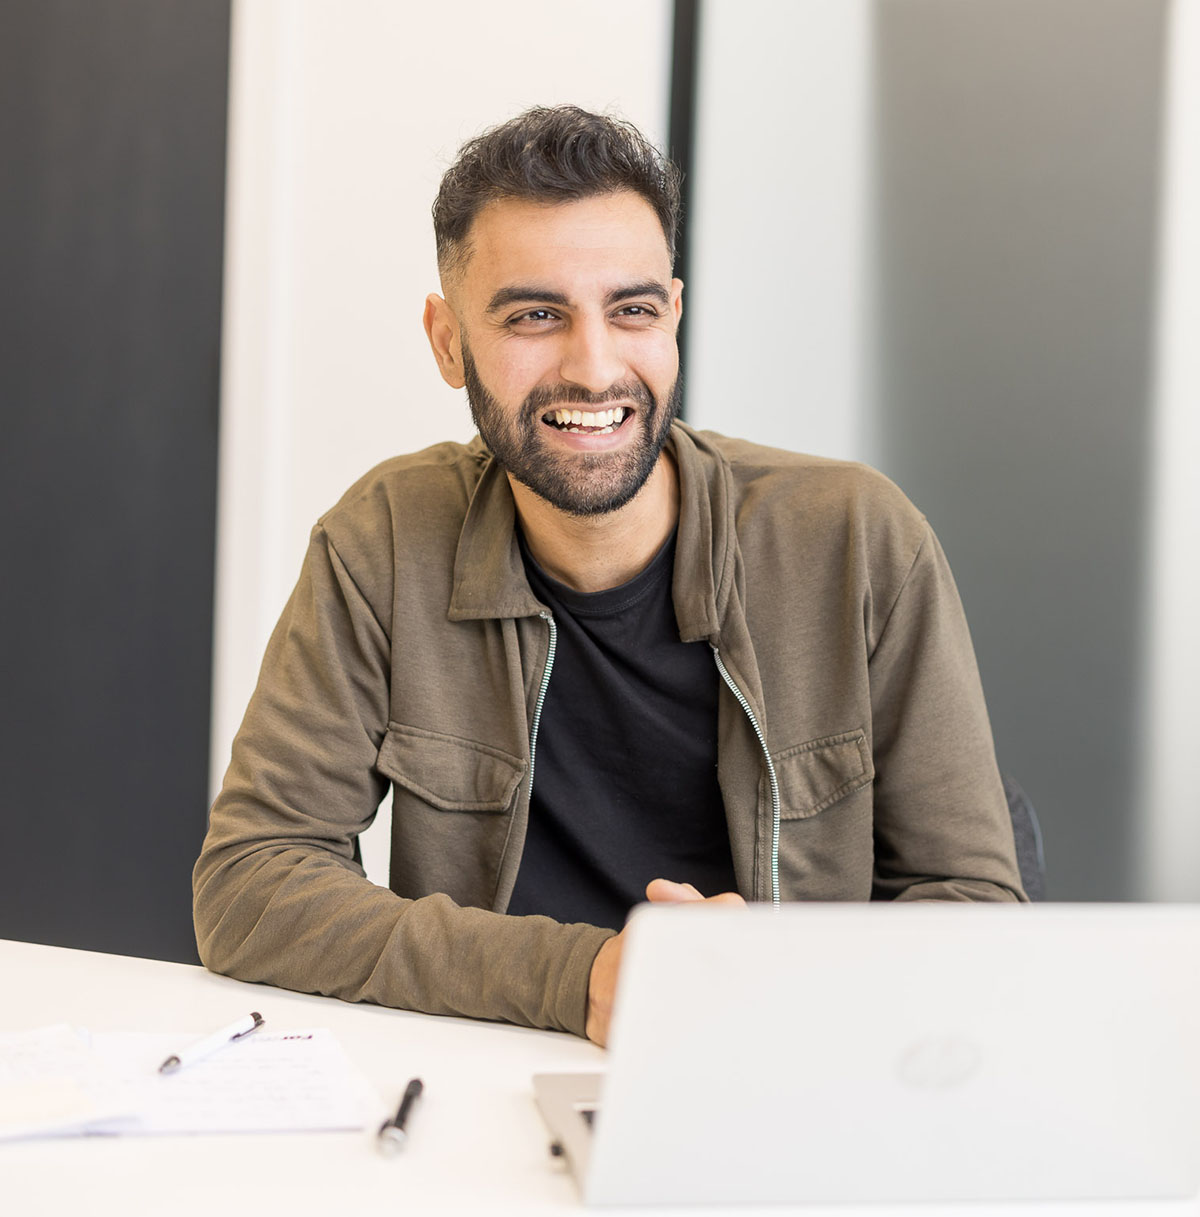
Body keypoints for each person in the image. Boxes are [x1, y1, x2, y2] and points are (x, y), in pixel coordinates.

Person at [194, 105, 1025, 1047]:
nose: (595, 369)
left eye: (630, 310)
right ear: (447, 341)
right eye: (535, 315)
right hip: (487, 1073)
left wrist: (766, 983)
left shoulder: (858, 539)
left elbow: (975, 911)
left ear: (673, 315)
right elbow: (252, 883)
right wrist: (581, 978)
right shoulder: (382, 541)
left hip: (794, 1069)